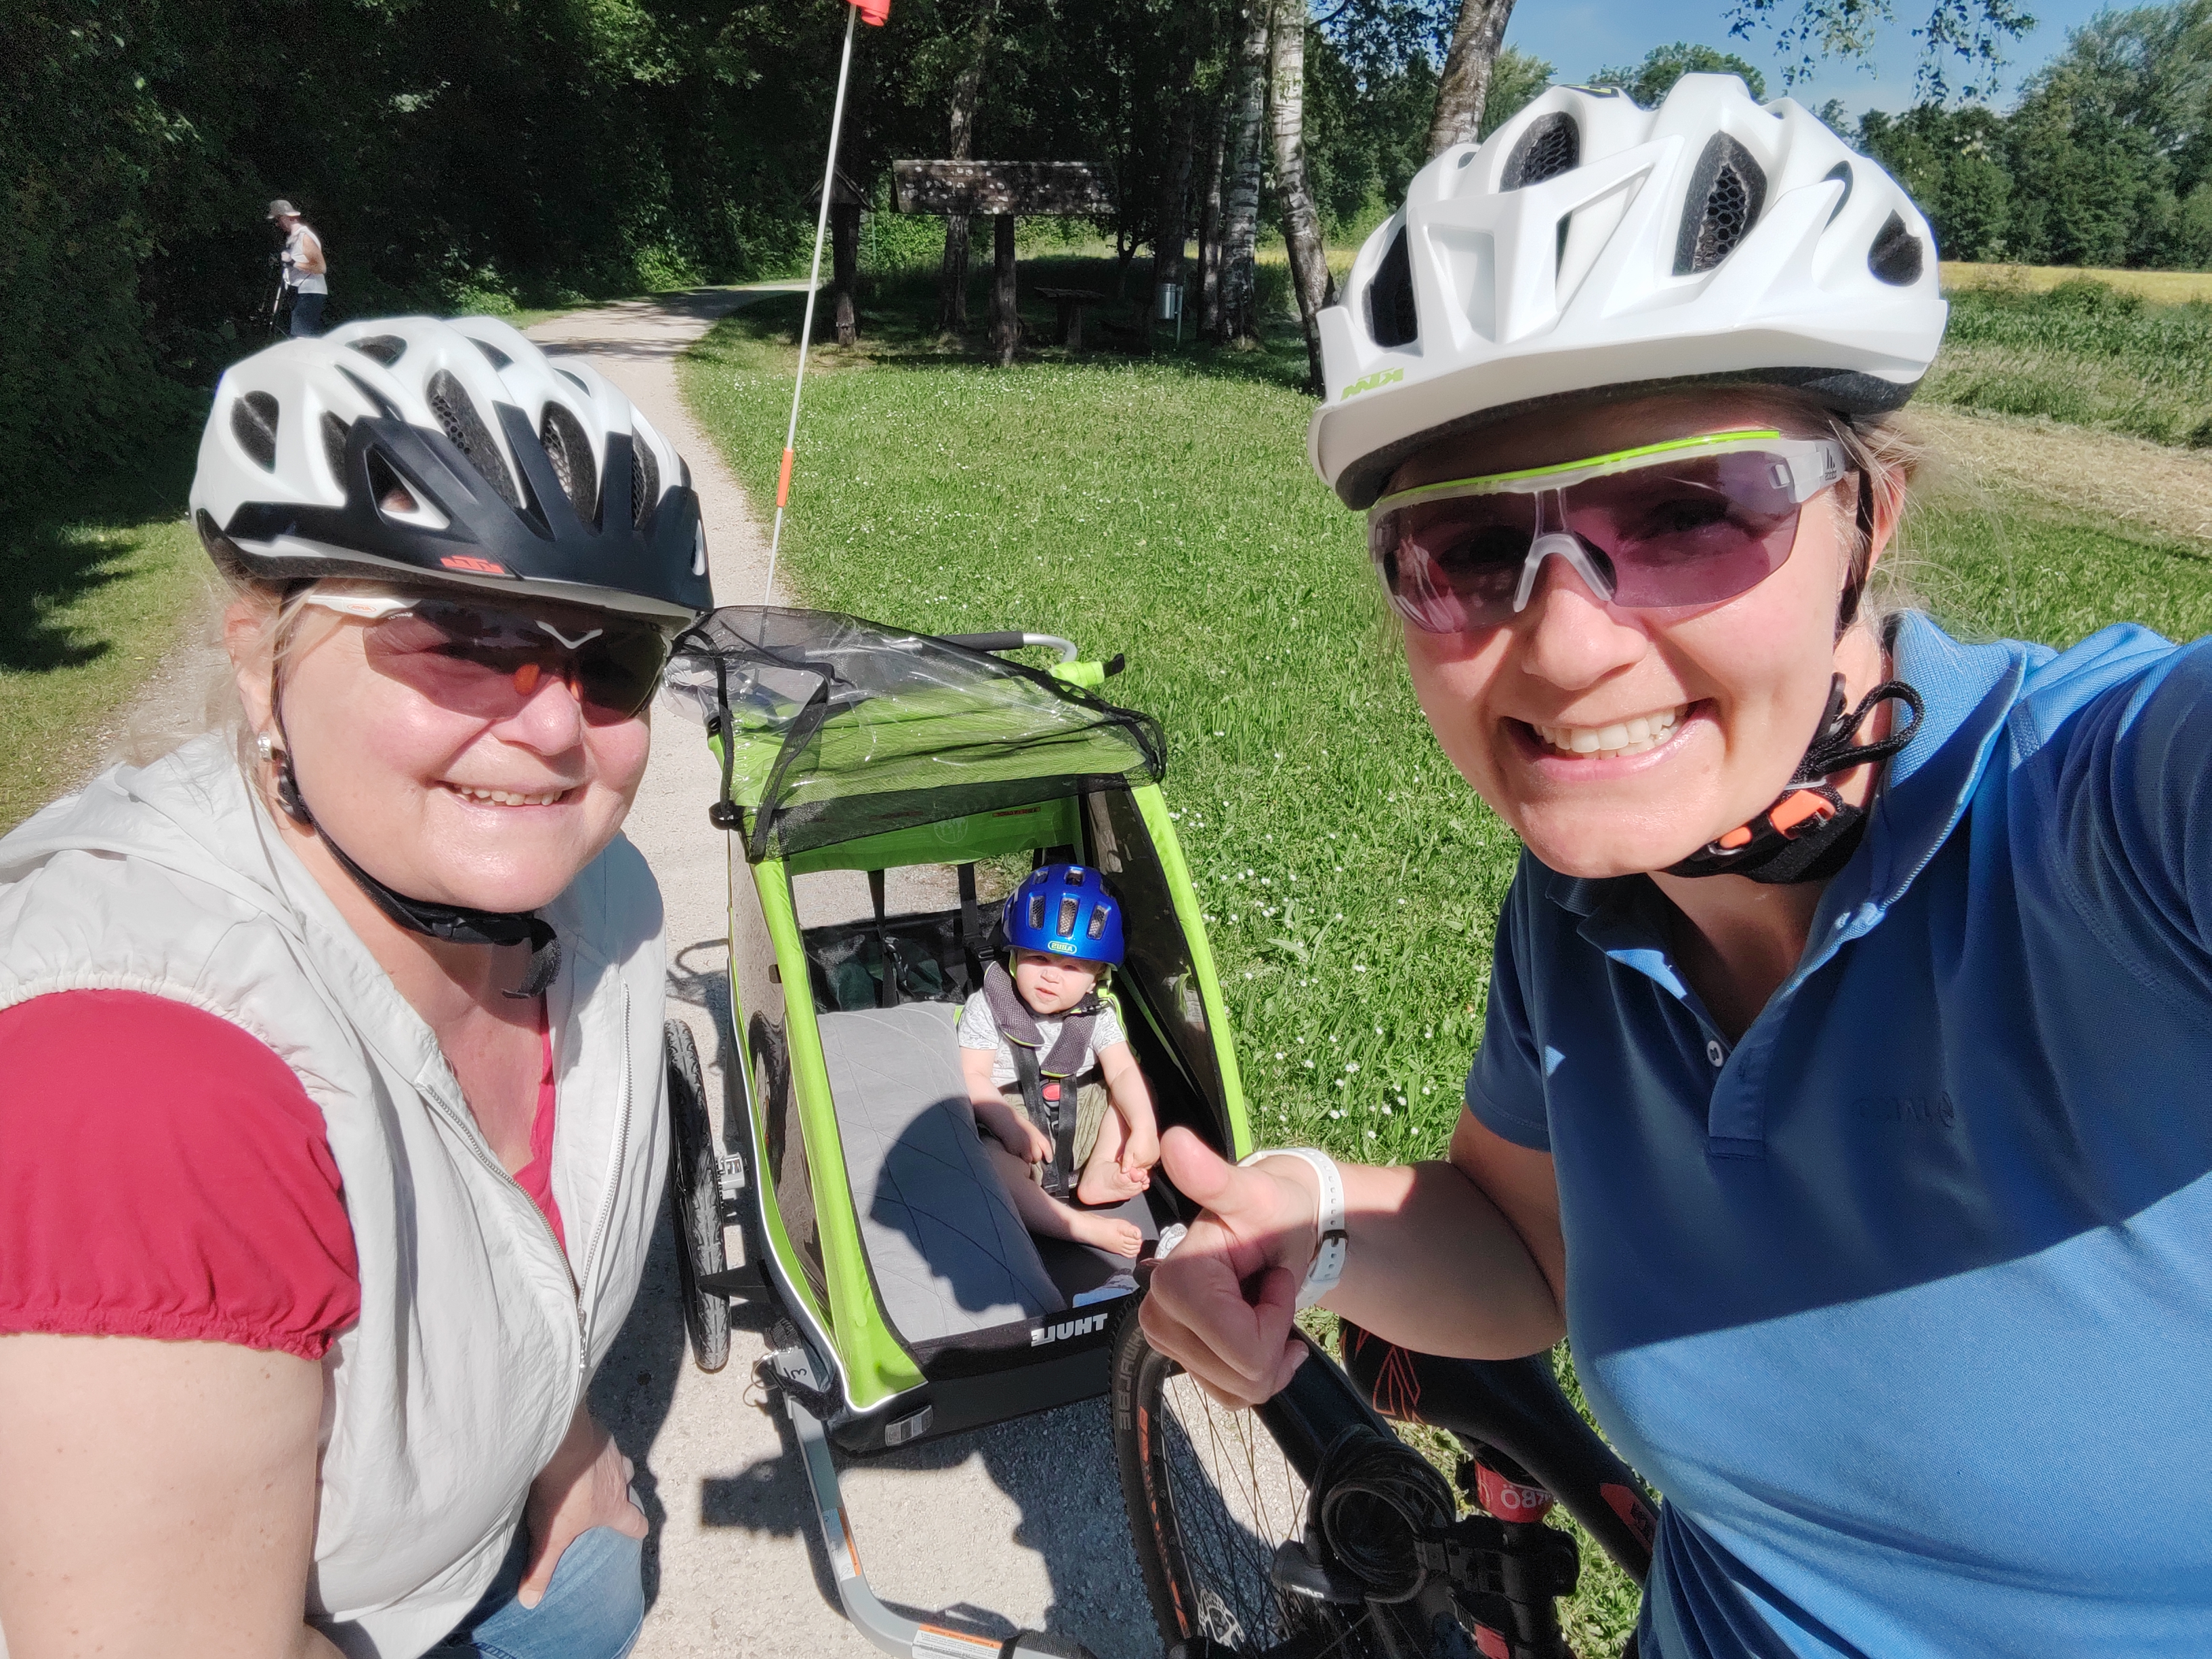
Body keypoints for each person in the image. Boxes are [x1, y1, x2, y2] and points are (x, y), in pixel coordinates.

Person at [1141, 74, 2212, 1657]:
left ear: (1868, 514)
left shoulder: (2104, 813)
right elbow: (1525, 1254)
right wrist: (1317, 1218)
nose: (1566, 645)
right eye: (1471, 551)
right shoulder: (1578, 914)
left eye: (1688, 511)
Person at [0, 313, 712, 1658]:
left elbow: (483, 1261)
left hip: (536, 1555)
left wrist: (558, 1449)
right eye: (463, 631)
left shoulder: (603, 905)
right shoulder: (135, 1092)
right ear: (264, 660)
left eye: (612, 655)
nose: (557, 724)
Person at [960, 863, 1160, 1258]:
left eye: (1071, 967)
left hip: (1081, 1116)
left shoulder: (1098, 1015)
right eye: (1038, 959)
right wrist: (1010, 1124)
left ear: (1096, 975)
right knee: (987, 1164)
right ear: (1014, 954)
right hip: (1012, 1127)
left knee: (1134, 1090)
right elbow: (973, 1076)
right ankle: (1075, 1226)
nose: (1052, 977)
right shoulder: (987, 1007)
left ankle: (1100, 1171)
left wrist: (1144, 1127)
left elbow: (1120, 1069)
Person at [270, 198, 329, 335]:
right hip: (300, 291)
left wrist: (292, 262)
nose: (278, 225)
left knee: (301, 336)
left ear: (288, 217)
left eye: (278, 219)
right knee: (297, 334)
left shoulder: (304, 236)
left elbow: (320, 267)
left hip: (309, 291)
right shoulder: (294, 239)